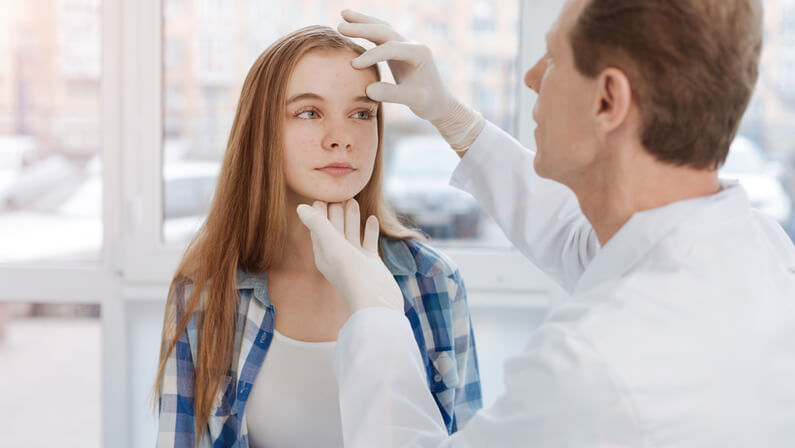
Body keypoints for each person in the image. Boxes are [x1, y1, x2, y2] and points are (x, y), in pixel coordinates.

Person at [296, 2, 795, 447]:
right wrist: (450, 115)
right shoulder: (758, 250)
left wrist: (376, 313)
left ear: (607, 100)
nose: (532, 77)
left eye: (553, 58)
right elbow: (571, 233)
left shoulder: (594, 368)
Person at [153, 26, 482, 447]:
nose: (341, 138)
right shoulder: (205, 289)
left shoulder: (434, 281)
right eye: (309, 112)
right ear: (262, 133)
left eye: (362, 113)